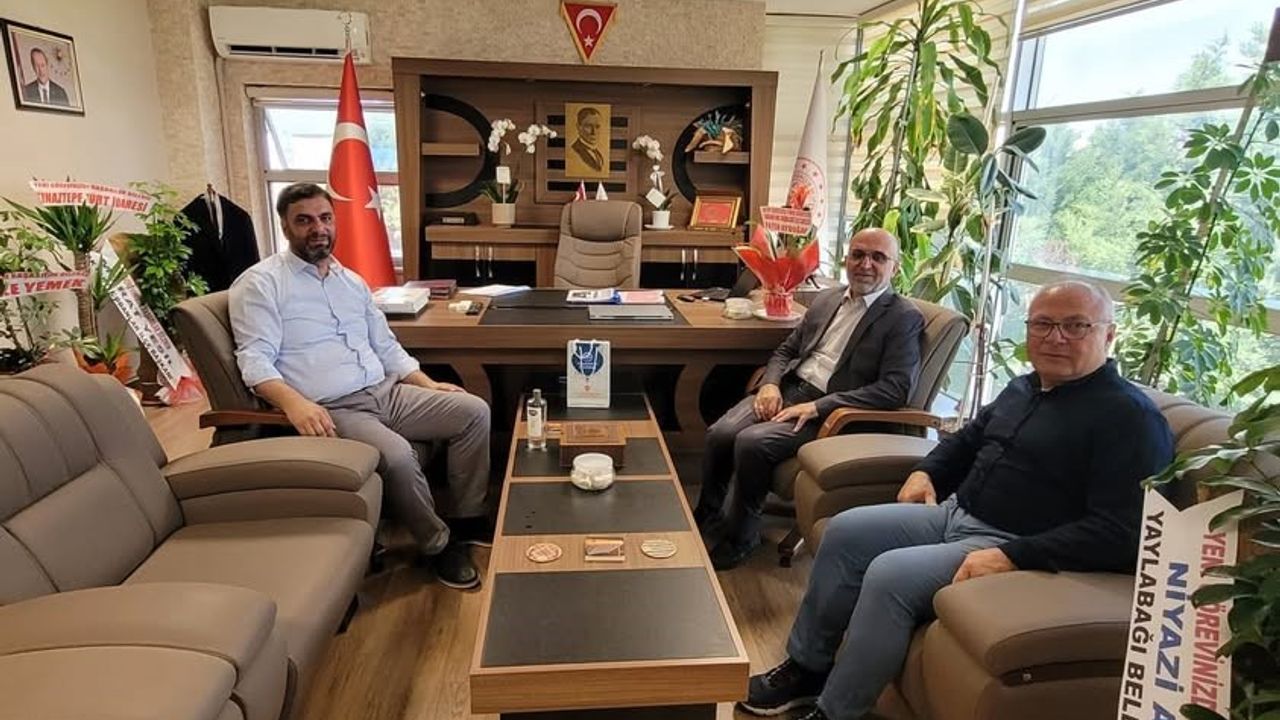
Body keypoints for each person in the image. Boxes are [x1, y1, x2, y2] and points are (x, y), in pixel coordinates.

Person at [740, 280, 1175, 720]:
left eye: (1075, 325)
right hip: (954, 514)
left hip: (1011, 541)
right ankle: (807, 668)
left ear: (1109, 334)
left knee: (890, 575)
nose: (1055, 337)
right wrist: (926, 473)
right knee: (845, 532)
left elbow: (1121, 531)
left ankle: (838, 711)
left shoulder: (1130, 419)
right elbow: (966, 441)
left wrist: (1013, 555)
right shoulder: (1025, 387)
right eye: (1042, 324)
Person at [229, 182, 491, 589]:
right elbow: (254, 360)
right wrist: (294, 404)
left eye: (325, 218)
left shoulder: (350, 281)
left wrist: (427, 384)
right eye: (305, 220)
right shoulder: (261, 284)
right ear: (285, 227)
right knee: (399, 456)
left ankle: (468, 519)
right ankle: (437, 545)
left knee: (473, 411)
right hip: (335, 407)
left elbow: (386, 346)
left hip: (387, 392)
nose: (318, 228)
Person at [693, 228, 925, 570]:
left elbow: (895, 389)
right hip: (790, 389)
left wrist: (818, 406)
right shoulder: (827, 299)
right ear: (846, 258)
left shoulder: (903, 318)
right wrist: (770, 384)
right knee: (720, 433)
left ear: (895, 266)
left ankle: (741, 537)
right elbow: (786, 350)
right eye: (858, 254)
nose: (865, 264)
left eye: (878, 257)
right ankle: (707, 515)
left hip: (833, 410)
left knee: (751, 442)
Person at [571, 107, 605, 172]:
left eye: (597, 126)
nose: (594, 132)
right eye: (589, 126)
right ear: (578, 127)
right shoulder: (574, 151)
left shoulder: (598, 154)